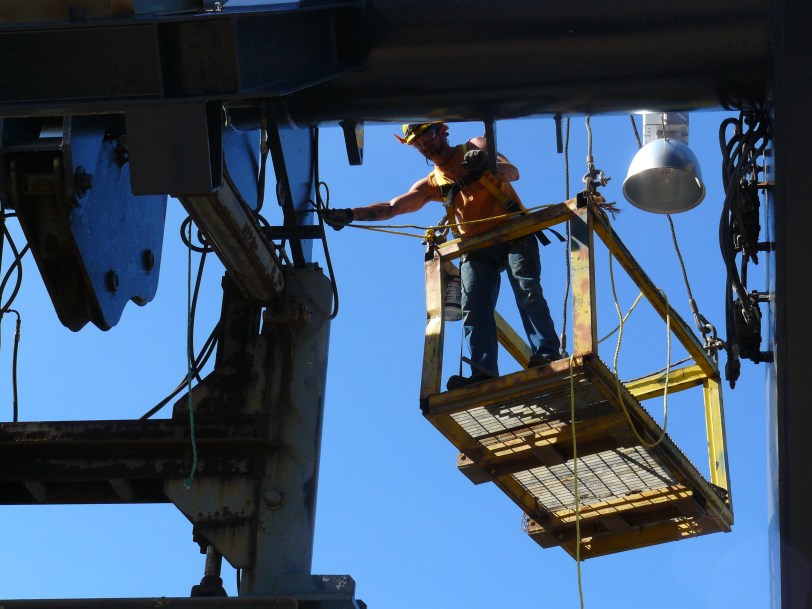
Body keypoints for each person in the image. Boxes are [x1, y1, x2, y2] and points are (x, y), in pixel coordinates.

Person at [322, 122, 561, 389]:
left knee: (526, 290)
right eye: (418, 144)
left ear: (442, 132)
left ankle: (547, 353)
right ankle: (483, 371)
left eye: (427, 138)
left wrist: (486, 163)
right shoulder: (433, 183)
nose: (425, 146)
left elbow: (513, 172)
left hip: (514, 230)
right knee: (474, 307)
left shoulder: (474, 146)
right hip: (476, 244)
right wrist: (350, 214)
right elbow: (390, 208)